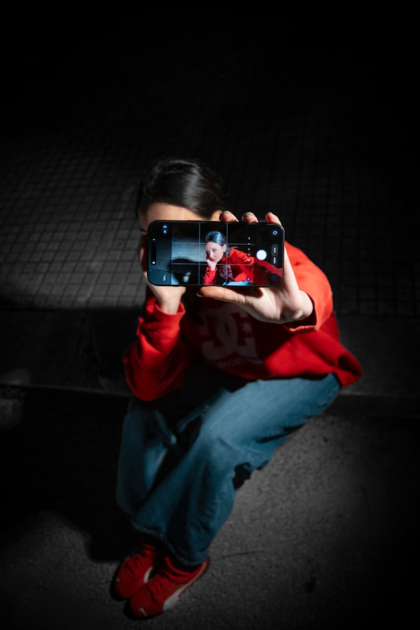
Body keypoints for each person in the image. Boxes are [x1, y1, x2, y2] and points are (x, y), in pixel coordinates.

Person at [113, 157, 362, 618]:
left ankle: (185, 560)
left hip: (300, 374)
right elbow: (147, 387)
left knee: (217, 439)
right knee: (143, 415)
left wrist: (297, 310)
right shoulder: (168, 281)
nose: (168, 248)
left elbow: (310, 287)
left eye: (181, 233)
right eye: (153, 235)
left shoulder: (249, 258)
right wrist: (165, 309)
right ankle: (152, 531)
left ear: (216, 222)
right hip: (225, 369)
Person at [203, 229, 283, 286]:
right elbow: (207, 287)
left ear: (224, 247)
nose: (210, 255)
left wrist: (273, 278)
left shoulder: (235, 255)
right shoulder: (213, 260)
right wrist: (211, 268)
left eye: (214, 250)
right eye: (208, 251)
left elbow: (250, 264)